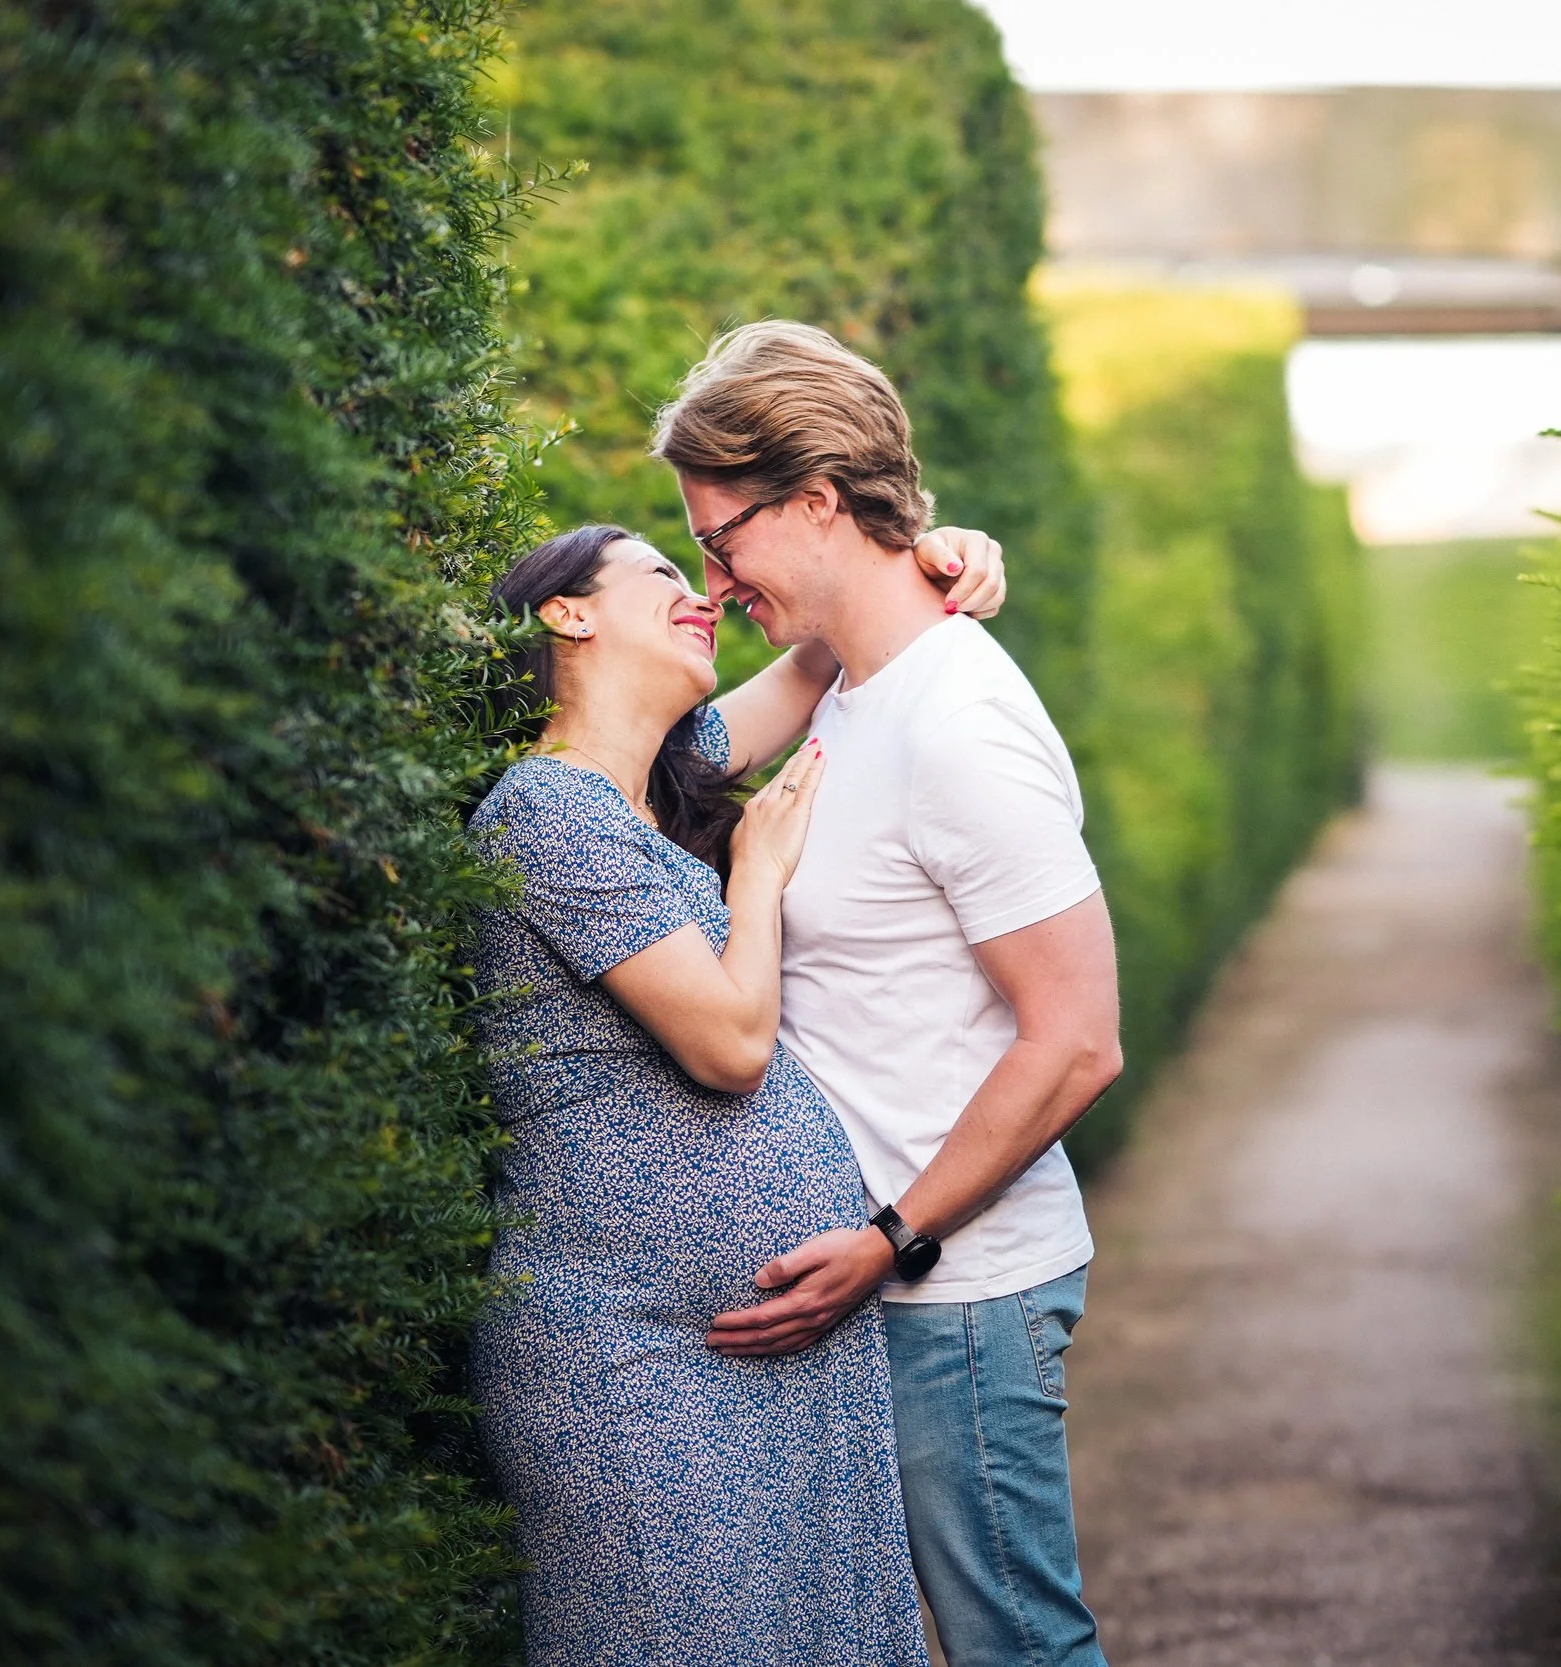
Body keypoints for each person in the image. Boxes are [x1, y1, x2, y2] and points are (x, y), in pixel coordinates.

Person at [654, 320, 1124, 1667]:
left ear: (812, 500)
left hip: (953, 1290)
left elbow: (1079, 1039)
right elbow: (662, 766)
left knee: (1016, 1646)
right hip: (889, 1290)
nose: (713, 573)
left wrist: (891, 1236)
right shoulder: (857, 686)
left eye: (723, 536)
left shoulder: (958, 724)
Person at [466, 517, 1004, 1665]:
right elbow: (728, 1044)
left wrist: (935, 548)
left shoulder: (662, 776)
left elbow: (820, 647)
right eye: (662, 573)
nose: (699, 590)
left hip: (768, 1350)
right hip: (633, 1357)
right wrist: (754, 874)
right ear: (569, 612)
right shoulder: (546, 811)